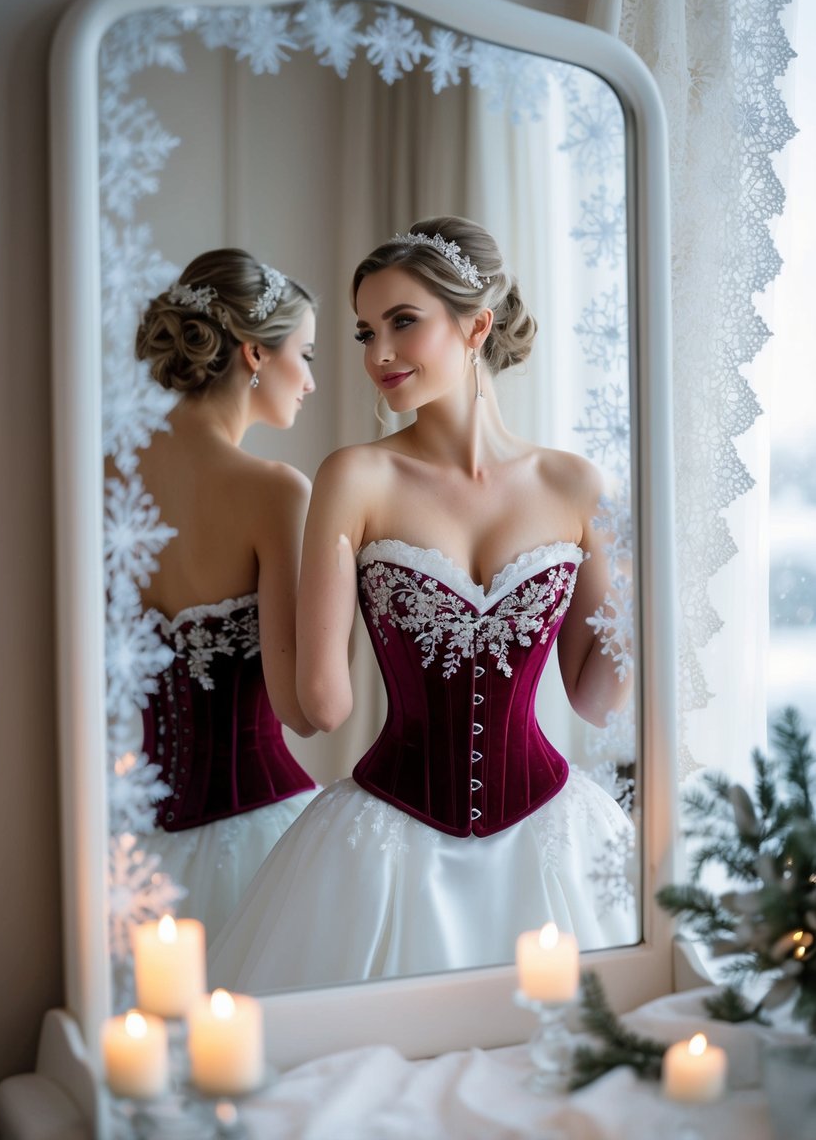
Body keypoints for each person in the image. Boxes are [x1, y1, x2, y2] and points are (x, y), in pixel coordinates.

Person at [208, 218, 636, 991]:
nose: (377, 355)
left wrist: (643, 570)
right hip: (386, 845)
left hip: (555, 842)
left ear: (477, 325)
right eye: (365, 331)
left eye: (403, 323)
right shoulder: (354, 475)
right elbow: (323, 706)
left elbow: (598, 700)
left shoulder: (580, 486)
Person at [123, 247, 321, 939]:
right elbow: (305, 711)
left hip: (133, 851)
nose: (311, 381)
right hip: (261, 837)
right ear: (254, 353)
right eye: (307, 353)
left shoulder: (104, 475)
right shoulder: (275, 492)